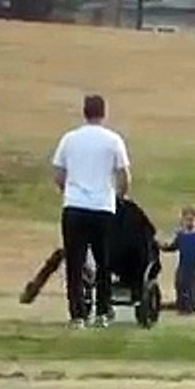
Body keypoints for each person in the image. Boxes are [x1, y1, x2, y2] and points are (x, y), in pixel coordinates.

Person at [51, 94, 132, 329]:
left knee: (75, 264)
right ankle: (103, 311)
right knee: (103, 261)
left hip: (75, 207)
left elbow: (58, 173)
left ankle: (77, 315)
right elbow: (124, 175)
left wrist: (69, 191)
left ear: (84, 112)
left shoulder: (70, 139)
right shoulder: (113, 140)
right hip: (102, 207)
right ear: (103, 113)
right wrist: (120, 196)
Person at [159, 206, 195, 314]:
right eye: (187, 220)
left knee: (192, 289)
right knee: (180, 286)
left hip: (194, 268)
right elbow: (173, 247)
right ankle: (181, 307)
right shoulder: (180, 236)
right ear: (182, 222)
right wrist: (162, 247)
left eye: (192, 220)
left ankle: (190, 307)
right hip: (182, 267)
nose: (189, 223)